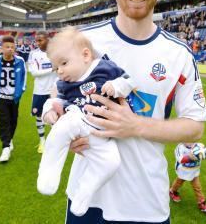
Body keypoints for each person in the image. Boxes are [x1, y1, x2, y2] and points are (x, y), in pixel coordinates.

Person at [58, 0, 206, 224]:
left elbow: (195, 128)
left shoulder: (178, 54)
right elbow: (61, 100)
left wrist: (136, 124)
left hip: (147, 204)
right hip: (88, 201)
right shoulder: (84, 41)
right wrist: (65, 130)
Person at [38, 28, 135, 217]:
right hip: (78, 120)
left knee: (111, 162)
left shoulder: (104, 68)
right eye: (56, 68)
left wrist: (117, 86)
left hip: (101, 134)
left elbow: (129, 80)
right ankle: (48, 172)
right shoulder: (64, 84)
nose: (60, 71)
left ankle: (84, 193)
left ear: (85, 55)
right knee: (63, 129)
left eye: (64, 63)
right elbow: (58, 101)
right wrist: (49, 110)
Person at [0, 35, 27, 163]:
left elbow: (24, 77)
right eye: (7, 47)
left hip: (14, 97)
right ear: (1, 48)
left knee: (13, 120)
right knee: (4, 120)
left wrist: (21, 91)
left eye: (12, 47)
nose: (10, 49)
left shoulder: (20, 61)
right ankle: (5, 147)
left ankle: (9, 140)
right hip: (1, 97)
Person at [27, 31, 58, 153]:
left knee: (56, 116)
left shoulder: (56, 53)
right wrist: (52, 69)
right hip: (39, 90)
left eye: (40, 40)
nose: (38, 43)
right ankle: (42, 141)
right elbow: (34, 73)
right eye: (36, 40)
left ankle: (54, 141)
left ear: (47, 39)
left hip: (54, 91)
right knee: (39, 116)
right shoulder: (33, 54)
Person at [169, 143, 206, 212]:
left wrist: (202, 155)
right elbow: (180, 159)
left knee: (197, 187)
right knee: (178, 183)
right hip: (183, 171)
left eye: (192, 140)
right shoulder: (180, 148)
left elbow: (203, 153)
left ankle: (202, 203)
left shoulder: (198, 146)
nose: (190, 143)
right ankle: (172, 191)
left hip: (194, 171)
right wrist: (190, 157)